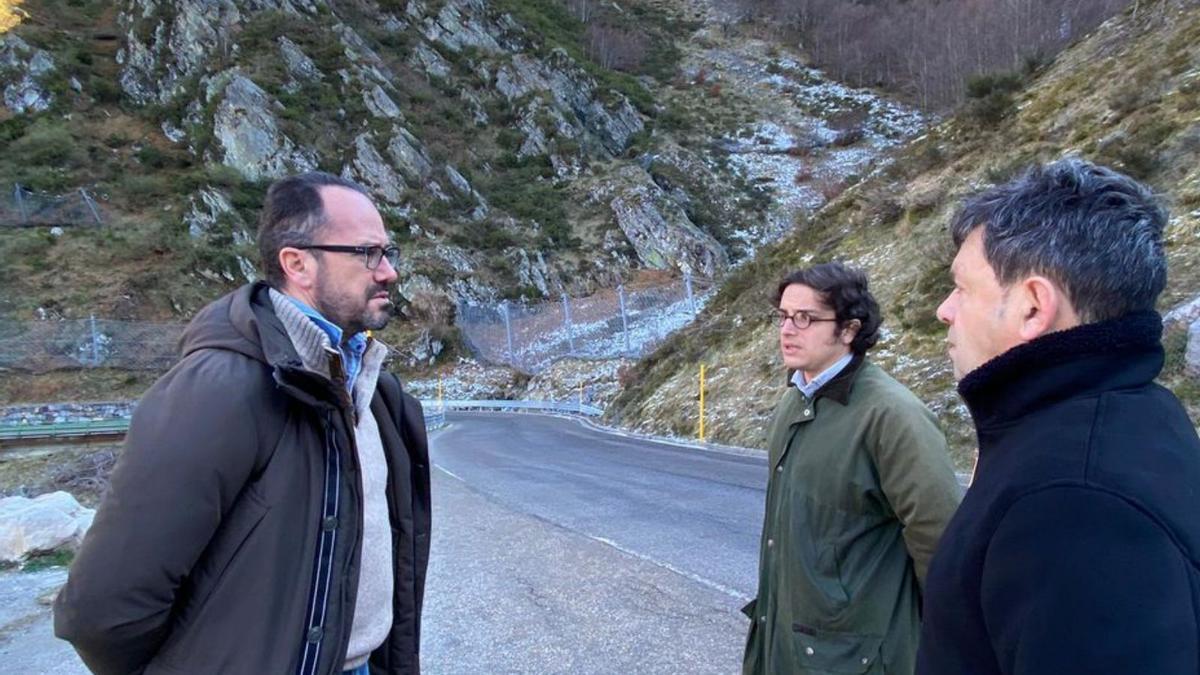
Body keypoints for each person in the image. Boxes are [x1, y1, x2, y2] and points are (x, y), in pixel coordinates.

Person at [54, 172, 431, 675]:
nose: (388, 272)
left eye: (389, 252)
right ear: (297, 263)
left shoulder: (374, 390)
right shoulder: (219, 390)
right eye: (366, 253)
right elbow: (102, 612)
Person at [918, 158, 1200, 674]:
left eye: (961, 287)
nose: (944, 309)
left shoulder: (1072, 499)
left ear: (1032, 307)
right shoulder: (1132, 412)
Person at [743, 262, 961, 675]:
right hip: (787, 644)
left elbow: (941, 541)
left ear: (849, 329)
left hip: (856, 658)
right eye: (784, 316)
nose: (787, 329)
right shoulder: (795, 398)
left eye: (805, 318)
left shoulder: (893, 416)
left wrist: (941, 644)